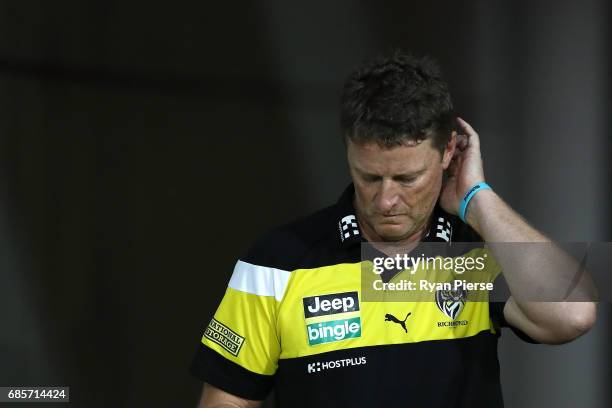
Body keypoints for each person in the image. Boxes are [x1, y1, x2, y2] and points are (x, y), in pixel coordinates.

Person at [190, 51, 597, 407]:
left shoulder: (474, 251)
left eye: (406, 179)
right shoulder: (277, 260)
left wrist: (477, 198)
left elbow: (572, 316)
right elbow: (228, 397)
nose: (385, 200)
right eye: (368, 177)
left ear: (449, 152)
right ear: (348, 148)